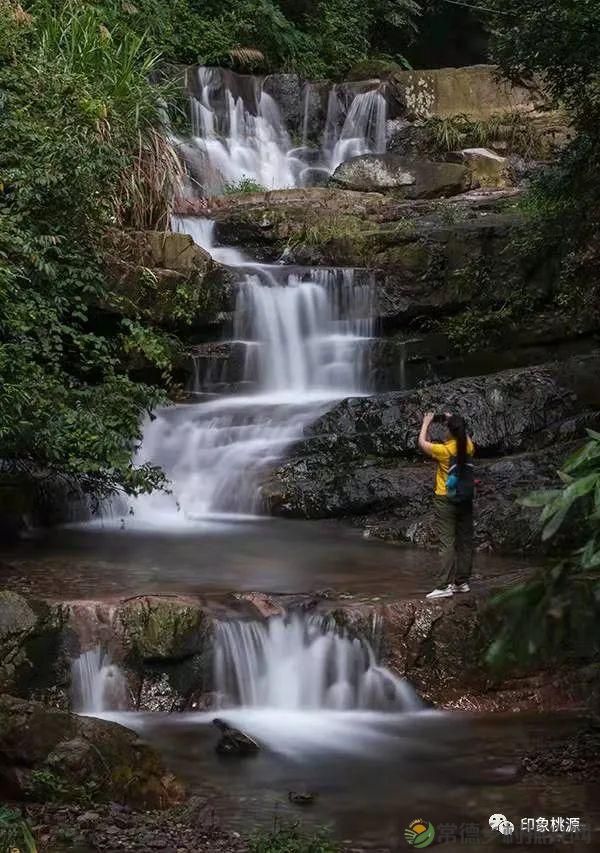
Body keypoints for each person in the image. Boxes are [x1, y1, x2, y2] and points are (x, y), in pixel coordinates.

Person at [418, 411, 475, 599]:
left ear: (450, 432)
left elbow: (422, 443)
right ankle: (462, 582)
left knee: (447, 542)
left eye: (446, 429)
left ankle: (444, 586)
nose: (444, 432)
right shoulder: (468, 446)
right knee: (465, 540)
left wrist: (426, 423)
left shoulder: (443, 451)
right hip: (465, 498)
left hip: (446, 498)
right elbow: (463, 435)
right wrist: (455, 420)